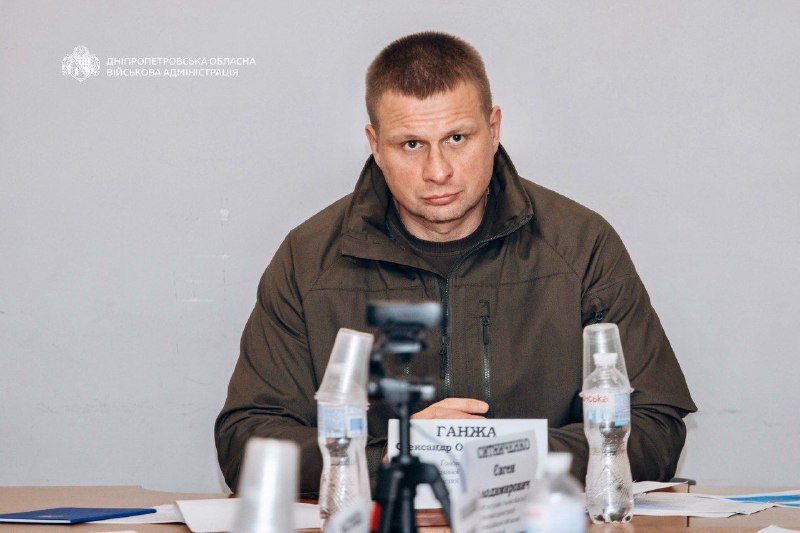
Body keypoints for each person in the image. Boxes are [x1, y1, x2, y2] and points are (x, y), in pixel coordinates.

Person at [215, 31, 697, 495]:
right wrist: (393, 456)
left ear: (494, 129)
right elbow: (246, 443)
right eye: (411, 144)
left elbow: (655, 427)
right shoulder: (309, 258)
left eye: (457, 138)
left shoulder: (580, 244)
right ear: (375, 145)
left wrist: (498, 456)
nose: (438, 171)